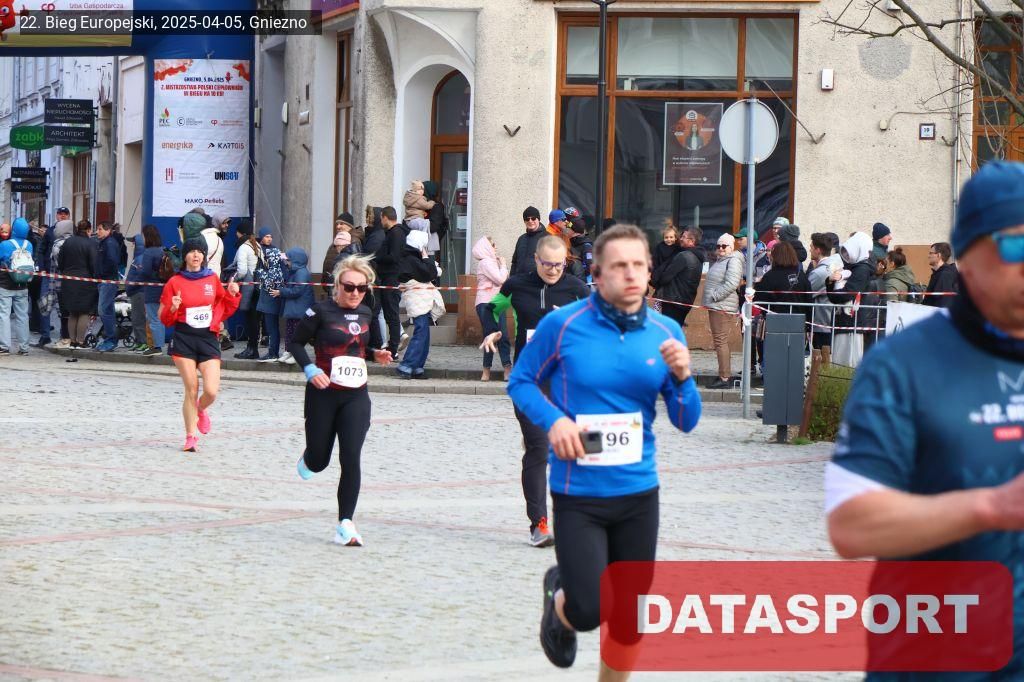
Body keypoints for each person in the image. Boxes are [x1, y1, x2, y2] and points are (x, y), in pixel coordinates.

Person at [826, 160, 1024, 680]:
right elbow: (851, 524)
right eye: (1015, 246)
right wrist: (990, 506)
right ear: (970, 258)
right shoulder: (903, 365)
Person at [506, 224, 702, 677]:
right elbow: (521, 382)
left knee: (631, 620)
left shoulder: (666, 331)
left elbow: (686, 419)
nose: (630, 274)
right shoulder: (564, 325)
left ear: (649, 271)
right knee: (590, 609)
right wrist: (555, 421)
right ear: (596, 273)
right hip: (580, 494)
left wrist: (683, 378)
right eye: (619, 266)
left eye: (638, 265)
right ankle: (561, 601)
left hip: (638, 492)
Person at [480, 236, 590, 547]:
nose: (553, 270)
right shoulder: (517, 285)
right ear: (537, 261)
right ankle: (539, 524)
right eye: (547, 264)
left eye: (559, 265)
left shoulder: (577, 290)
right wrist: (492, 329)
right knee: (539, 447)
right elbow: (490, 308)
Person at [290, 255, 393, 546]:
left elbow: (363, 346)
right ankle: (309, 458)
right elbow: (295, 342)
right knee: (319, 460)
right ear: (337, 285)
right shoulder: (319, 311)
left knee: (351, 457)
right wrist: (310, 369)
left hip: (356, 396)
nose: (355, 293)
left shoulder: (366, 313)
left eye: (361, 288)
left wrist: (376, 354)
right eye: (349, 287)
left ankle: (345, 524)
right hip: (322, 394)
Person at [159, 238, 241, 452]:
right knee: (192, 388)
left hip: (207, 339)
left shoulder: (212, 279)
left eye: (199, 252)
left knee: (211, 391)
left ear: (204, 256)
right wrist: (172, 307)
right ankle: (190, 437)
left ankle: (200, 409)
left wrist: (233, 294)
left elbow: (224, 306)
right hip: (184, 338)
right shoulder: (174, 282)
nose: (196, 255)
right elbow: (164, 318)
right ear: (185, 256)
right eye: (191, 251)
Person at [396, 230, 444, 379]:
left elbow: (429, 272)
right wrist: (426, 258)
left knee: (424, 334)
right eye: (424, 246)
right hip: (417, 299)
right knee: (421, 332)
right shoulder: (411, 259)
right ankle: (407, 365)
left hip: (420, 299)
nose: (426, 249)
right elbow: (430, 273)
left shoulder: (411, 258)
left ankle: (417, 367)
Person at [826, 232, 876, 367]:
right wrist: (830, 282)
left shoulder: (862, 269)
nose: (846, 255)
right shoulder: (855, 268)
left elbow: (847, 293)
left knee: (847, 362)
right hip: (846, 320)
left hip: (851, 321)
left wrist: (832, 289)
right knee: (840, 360)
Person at [702, 233, 744, 389]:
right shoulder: (722, 260)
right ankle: (723, 374)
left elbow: (732, 283)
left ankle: (725, 377)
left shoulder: (733, 260)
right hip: (718, 306)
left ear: (731, 247)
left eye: (724, 246)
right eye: (718, 246)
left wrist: (715, 296)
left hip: (722, 306)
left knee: (721, 341)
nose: (720, 248)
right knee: (720, 341)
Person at [651, 226, 706, 329]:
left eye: (684, 237)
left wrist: (656, 278)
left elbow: (665, 278)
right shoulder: (697, 256)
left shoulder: (683, 256)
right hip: (685, 301)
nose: (680, 239)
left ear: (691, 241)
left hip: (673, 302)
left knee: (668, 332)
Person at [473, 235, 511, 382]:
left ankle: (491, 370)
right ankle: (500, 369)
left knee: (493, 335)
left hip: (493, 302)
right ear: (487, 247)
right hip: (488, 302)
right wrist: (504, 265)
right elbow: (501, 279)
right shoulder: (486, 262)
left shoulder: (490, 262)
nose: (496, 247)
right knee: (496, 335)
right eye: (493, 245)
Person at [58, 220, 98, 349]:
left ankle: (72, 341)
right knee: (84, 312)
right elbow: (94, 264)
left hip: (68, 280)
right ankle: (80, 341)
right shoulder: (91, 243)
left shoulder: (68, 242)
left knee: (73, 312)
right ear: (89, 230)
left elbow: (60, 261)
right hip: (85, 281)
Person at [374, 207, 408, 357]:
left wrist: (377, 258)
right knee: (389, 314)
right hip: (388, 277)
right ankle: (392, 346)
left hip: (392, 277)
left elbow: (394, 256)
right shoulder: (393, 233)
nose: (381, 221)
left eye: (381, 218)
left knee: (391, 314)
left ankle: (393, 348)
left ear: (385, 217)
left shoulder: (396, 233)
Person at [0, 217, 34, 355]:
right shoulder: (29, 245)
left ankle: (4, 346)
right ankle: (24, 347)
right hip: (22, 285)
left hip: (5, 284)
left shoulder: (5, 245)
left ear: (13, 230)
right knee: (23, 316)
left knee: (4, 315)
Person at [277, 246, 315, 365]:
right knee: (290, 331)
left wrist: (281, 291)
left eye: (288, 260)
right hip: (295, 309)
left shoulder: (301, 272)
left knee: (296, 333)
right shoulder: (295, 271)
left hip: (299, 309)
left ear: (296, 260)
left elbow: (297, 290)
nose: (286, 262)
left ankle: (296, 354)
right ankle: (288, 351)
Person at [232, 220, 263, 359]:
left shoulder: (244, 247)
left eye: (237, 232)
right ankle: (253, 348)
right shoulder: (257, 245)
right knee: (255, 319)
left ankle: (251, 349)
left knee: (250, 319)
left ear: (241, 233)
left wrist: (233, 278)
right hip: (258, 287)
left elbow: (242, 271)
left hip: (249, 288)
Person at [807, 232, 842, 350]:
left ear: (818, 250)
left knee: (821, 357)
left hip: (822, 323)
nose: (810, 249)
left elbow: (805, 294)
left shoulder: (819, 273)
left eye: (811, 247)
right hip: (830, 321)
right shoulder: (836, 265)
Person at [255, 227, 284, 362]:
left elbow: (269, 280)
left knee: (271, 326)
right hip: (268, 296)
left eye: (270, 236)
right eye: (266, 236)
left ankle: (273, 352)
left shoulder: (273, 253)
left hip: (270, 296)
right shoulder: (259, 250)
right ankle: (272, 352)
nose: (269, 239)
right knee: (270, 326)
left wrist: (261, 273)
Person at [139, 225, 166, 357]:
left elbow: (145, 272)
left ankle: (157, 346)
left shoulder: (149, 252)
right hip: (163, 288)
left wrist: (139, 269)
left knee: (154, 318)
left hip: (152, 289)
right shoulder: (162, 250)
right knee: (159, 318)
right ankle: (158, 344)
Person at [48, 219, 75, 348]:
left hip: (60, 282)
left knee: (63, 311)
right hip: (74, 282)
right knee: (71, 310)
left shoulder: (58, 244)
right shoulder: (74, 241)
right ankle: (70, 337)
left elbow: (59, 263)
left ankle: (65, 338)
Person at [95, 221, 121, 352]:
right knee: (108, 310)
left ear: (108, 230)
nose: (97, 232)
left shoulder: (109, 243)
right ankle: (110, 338)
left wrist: (102, 273)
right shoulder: (104, 243)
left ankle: (110, 339)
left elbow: (112, 261)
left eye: (100, 229)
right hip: (105, 280)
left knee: (103, 310)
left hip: (108, 281)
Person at [126, 233, 149, 352]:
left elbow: (140, 276)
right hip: (136, 291)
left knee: (138, 318)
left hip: (138, 292)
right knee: (136, 318)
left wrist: (130, 285)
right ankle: (139, 341)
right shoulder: (138, 257)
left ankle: (143, 342)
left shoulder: (140, 258)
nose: (132, 245)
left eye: (133, 243)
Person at [511, 206, 546, 276]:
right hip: (519, 279)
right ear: (524, 221)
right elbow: (514, 262)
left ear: (538, 219)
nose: (530, 221)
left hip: (537, 280)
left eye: (533, 218)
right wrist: (512, 278)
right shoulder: (521, 239)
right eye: (527, 219)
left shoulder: (547, 238)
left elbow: (552, 263)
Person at [924, 241, 959, 308]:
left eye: (931, 253)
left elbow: (943, 303)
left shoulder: (945, 275)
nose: (928, 256)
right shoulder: (938, 273)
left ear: (938, 255)